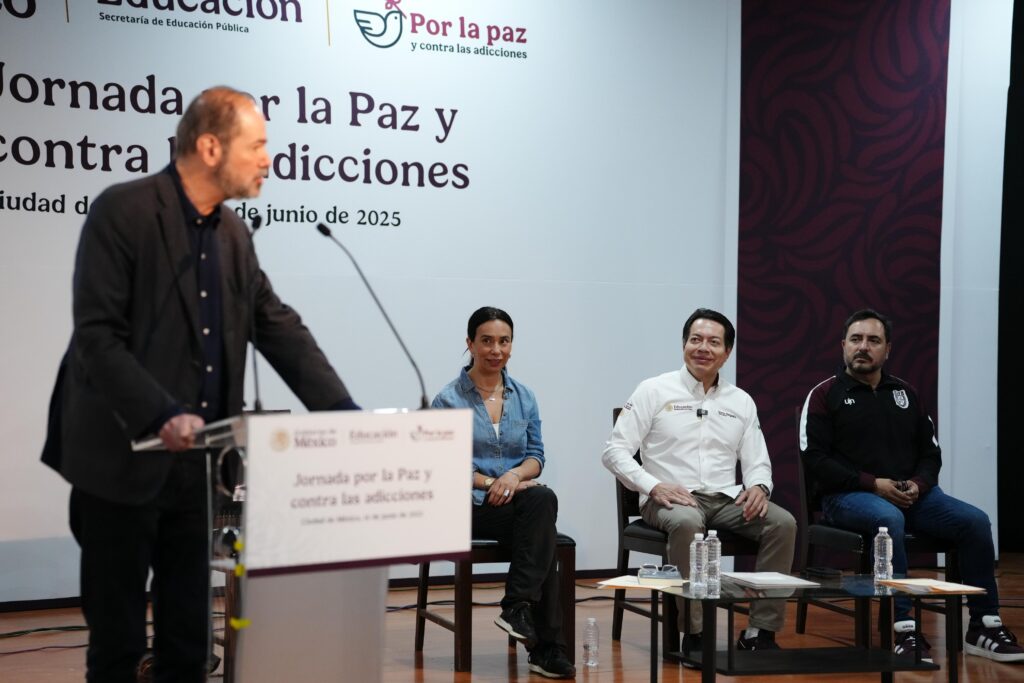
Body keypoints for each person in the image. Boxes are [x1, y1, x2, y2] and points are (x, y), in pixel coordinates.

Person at [41, 87, 359, 683]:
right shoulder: (123, 211)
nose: (268, 159)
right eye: (257, 145)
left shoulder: (233, 235)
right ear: (211, 148)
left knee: (188, 648)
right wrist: (160, 412)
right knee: (117, 649)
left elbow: (277, 326)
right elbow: (97, 338)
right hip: (117, 463)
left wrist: (344, 414)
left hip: (197, 471)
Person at [800, 308, 1023, 664]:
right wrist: (873, 484)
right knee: (889, 520)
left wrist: (919, 484)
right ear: (843, 345)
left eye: (873, 340)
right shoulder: (825, 394)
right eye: (856, 339)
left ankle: (984, 626)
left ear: (887, 349)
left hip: (911, 496)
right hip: (846, 496)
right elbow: (816, 460)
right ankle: (903, 628)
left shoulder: (906, 393)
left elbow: (931, 454)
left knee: (975, 521)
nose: (863, 346)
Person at [603, 308, 797, 652]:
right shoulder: (653, 390)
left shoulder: (740, 401)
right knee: (688, 523)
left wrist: (759, 486)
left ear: (727, 352)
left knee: (782, 524)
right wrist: (653, 485)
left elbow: (757, 460)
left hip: (725, 499)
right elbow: (614, 452)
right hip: (668, 499)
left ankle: (760, 632)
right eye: (696, 339)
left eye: (713, 342)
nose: (703, 348)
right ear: (684, 345)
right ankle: (695, 633)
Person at [431, 307, 575, 679]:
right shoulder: (448, 400)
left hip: (513, 505)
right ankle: (545, 648)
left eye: (504, 341)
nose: (496, 350)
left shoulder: (524, 396)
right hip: (469, 507)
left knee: (541, 504)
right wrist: (491, 483)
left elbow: (536, 456)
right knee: (541, 528)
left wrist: (513, 476)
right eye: (487, 341)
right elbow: (444, 465)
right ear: (470, 344)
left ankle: (518, 608)